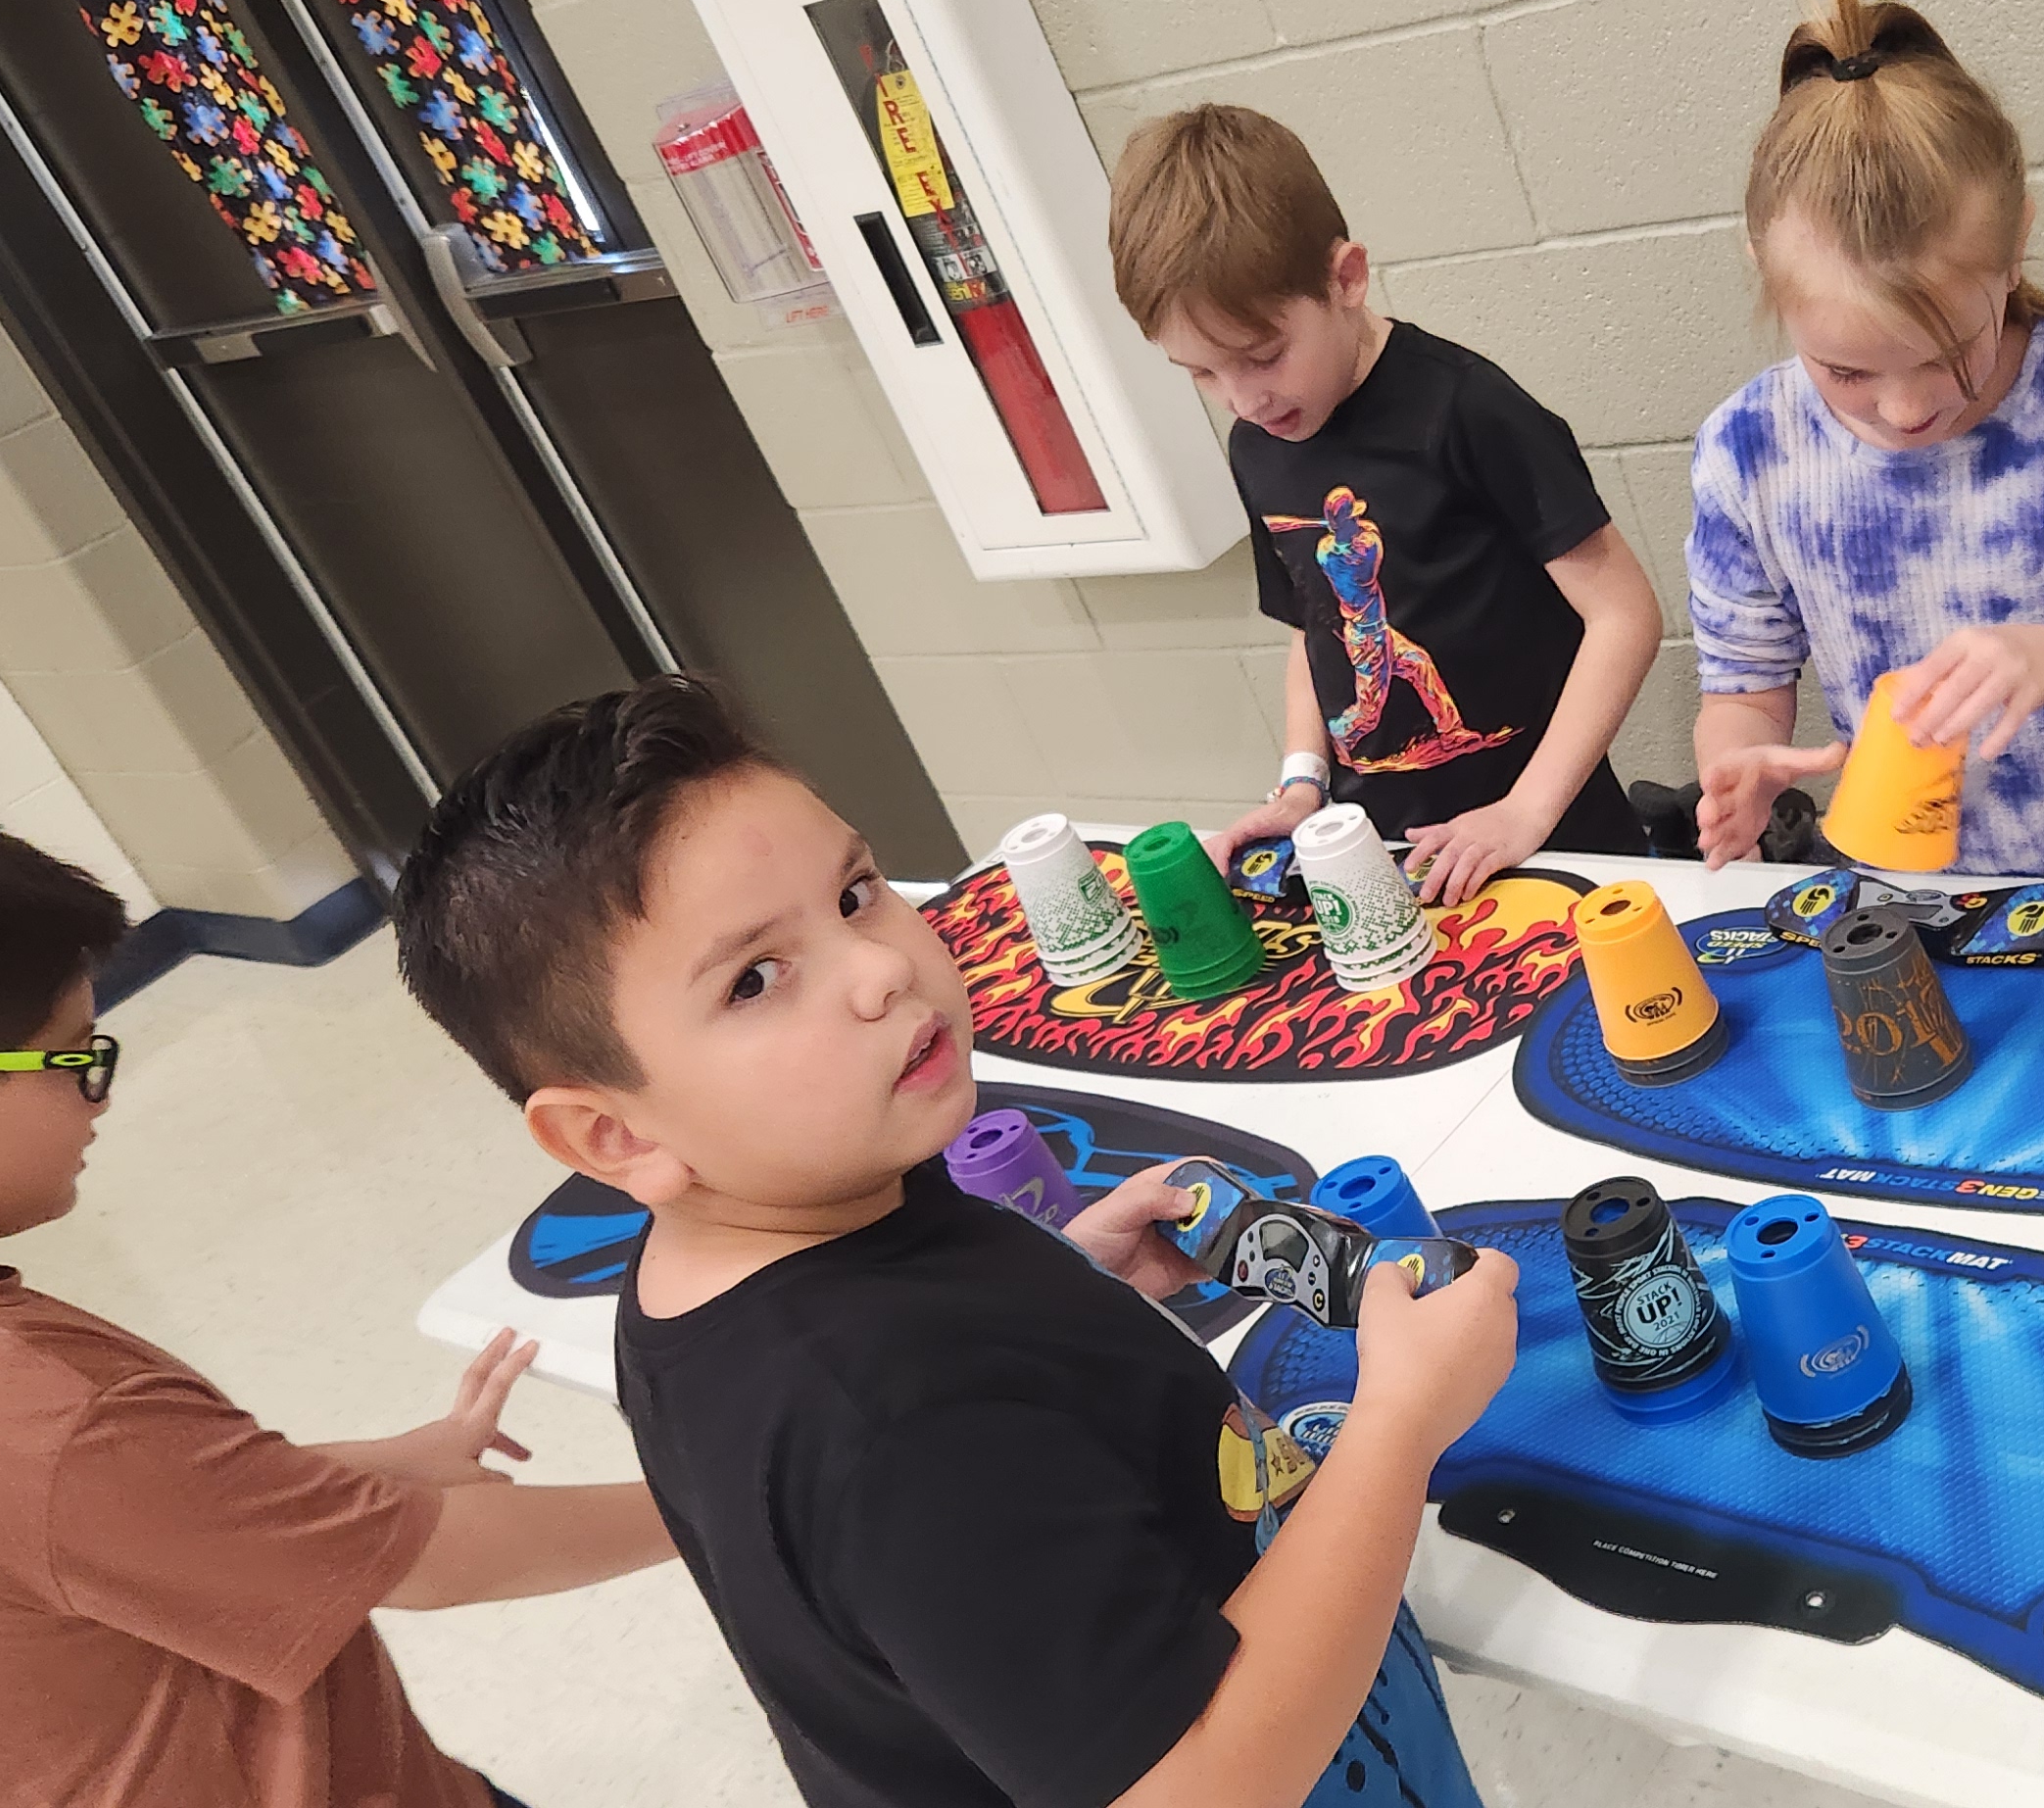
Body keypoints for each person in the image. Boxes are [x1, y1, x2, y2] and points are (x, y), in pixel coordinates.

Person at [388, 675, 1523, 1808]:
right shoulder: (892, 1424)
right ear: (614, 1134)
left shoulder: (779, 1214)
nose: (880, 968)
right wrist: (1399, 1426)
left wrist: (1063, 1280)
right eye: (754, 980)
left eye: (854, 893)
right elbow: (1193, 1787)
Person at [0, 806, 669, 1808]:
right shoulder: (19, 1409)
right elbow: (432, 1564)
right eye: (76, 1059)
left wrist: (393, 1464)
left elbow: (127, 1521)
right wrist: (713, 1505)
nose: (101, 1098)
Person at [1687, 0, 2044, 880]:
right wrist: (1737, 765)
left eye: (1950, 354)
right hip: (1910, 902)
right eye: (1846, 370)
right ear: (1760, 270)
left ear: (2016, 249)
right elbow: (1742, 688)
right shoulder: (1748, 449)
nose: (1904, 410)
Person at [1108, 103, 1663, 903]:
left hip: (1547, 841)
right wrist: (1301, 782)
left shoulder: (1467, 408)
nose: (1242, 400)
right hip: (1379, 850)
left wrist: (1526, 811)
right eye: (1200, 373)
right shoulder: (1258, 445)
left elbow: (1624, 615)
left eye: (1263, 355)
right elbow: (1310, 626)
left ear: (1346, 278)